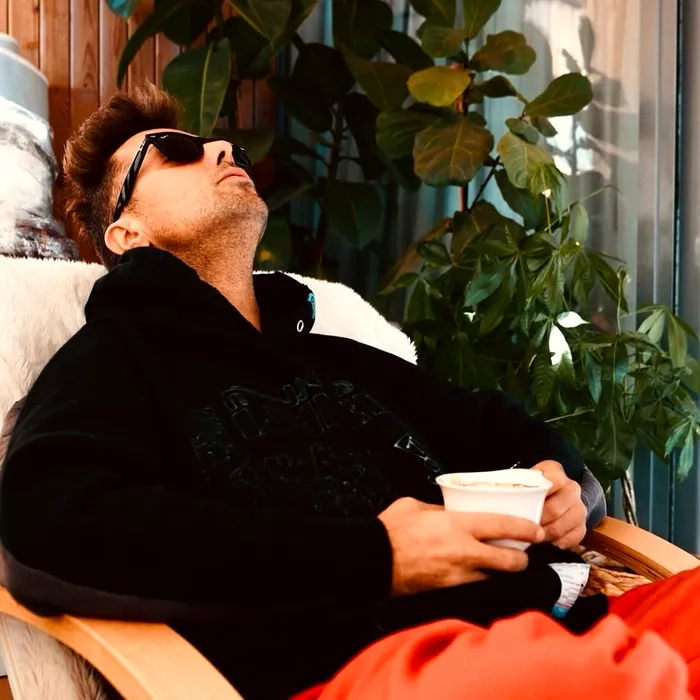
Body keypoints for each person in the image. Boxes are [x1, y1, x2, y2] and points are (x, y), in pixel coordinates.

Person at [0, 83, 693, 700]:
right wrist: (376, 555)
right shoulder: (114, 360)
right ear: (127, 233)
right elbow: (50, 520)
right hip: (357, 671)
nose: (220, 147)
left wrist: (563, 483)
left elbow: (498, 425)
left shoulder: (338, 358)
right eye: (176, 152)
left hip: (551, 626)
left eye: (218, 142)